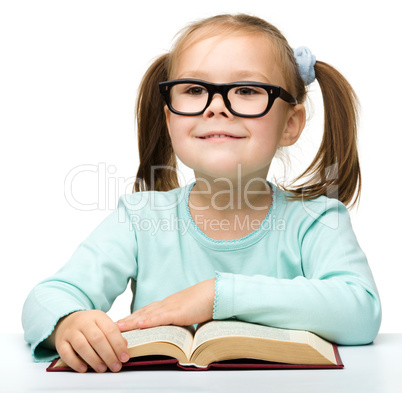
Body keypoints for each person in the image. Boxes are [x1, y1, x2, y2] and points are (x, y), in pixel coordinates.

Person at [22, 13, 381, 373]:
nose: (216, 106)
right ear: (170, 120)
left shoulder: (316, 220)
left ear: (290, 124)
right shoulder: (139, 218)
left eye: (246, 90)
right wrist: (67, 323)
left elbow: (361, 310)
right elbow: (45, 298)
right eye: (194, 90)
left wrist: (216, 296)